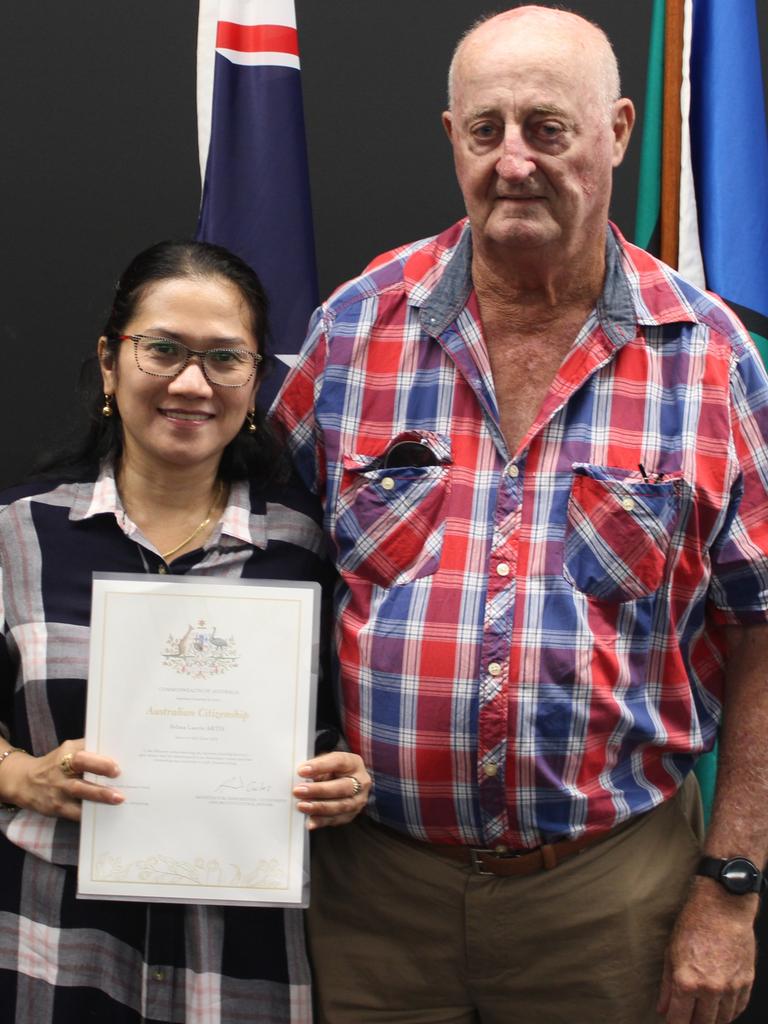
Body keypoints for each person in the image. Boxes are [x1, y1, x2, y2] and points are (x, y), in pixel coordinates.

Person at [272, 6, 768, 1024]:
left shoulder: (713, 362)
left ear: (620, 131)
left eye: (549, 129)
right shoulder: (356, 329)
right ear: (450, 137)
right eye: (486, 129)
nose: (513, 162)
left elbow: (761, 634)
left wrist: (730, 889)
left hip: (610, 898)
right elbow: (257, 559)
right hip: (372, 896)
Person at [0, 239, 370, 1024]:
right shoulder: (19, 533)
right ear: (110, 362)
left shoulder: (310, 547)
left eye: (224, 359)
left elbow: (347, 726)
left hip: (239, 963)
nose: (192, 383)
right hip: (52, 947)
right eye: (163, 350)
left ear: (255, 379)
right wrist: (19, 775)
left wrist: (345, 778)